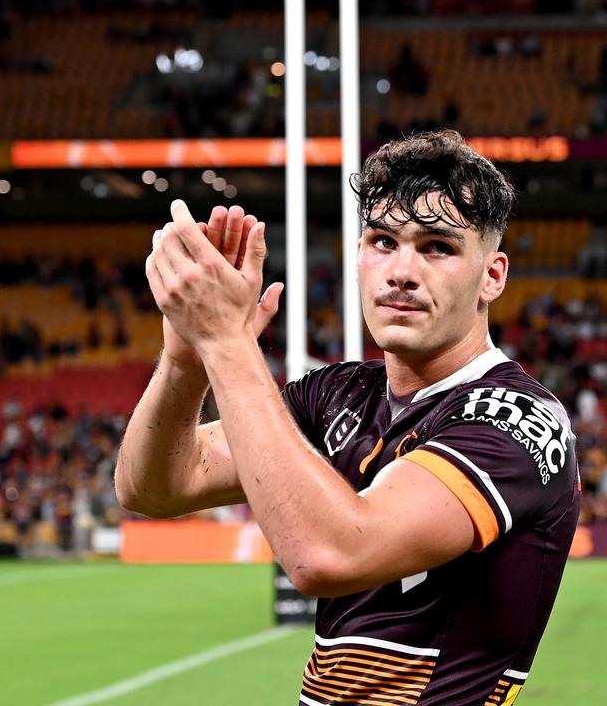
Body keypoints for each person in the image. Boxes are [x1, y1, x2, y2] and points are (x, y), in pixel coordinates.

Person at [117, 130, 579, 705]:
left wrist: (229, 345)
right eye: (382, 241)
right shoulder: (335, 394)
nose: (402, 272)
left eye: (438, 247)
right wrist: (189, 360)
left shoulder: (515, 418)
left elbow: (330, 554)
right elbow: (154, 487)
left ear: (493, 275)